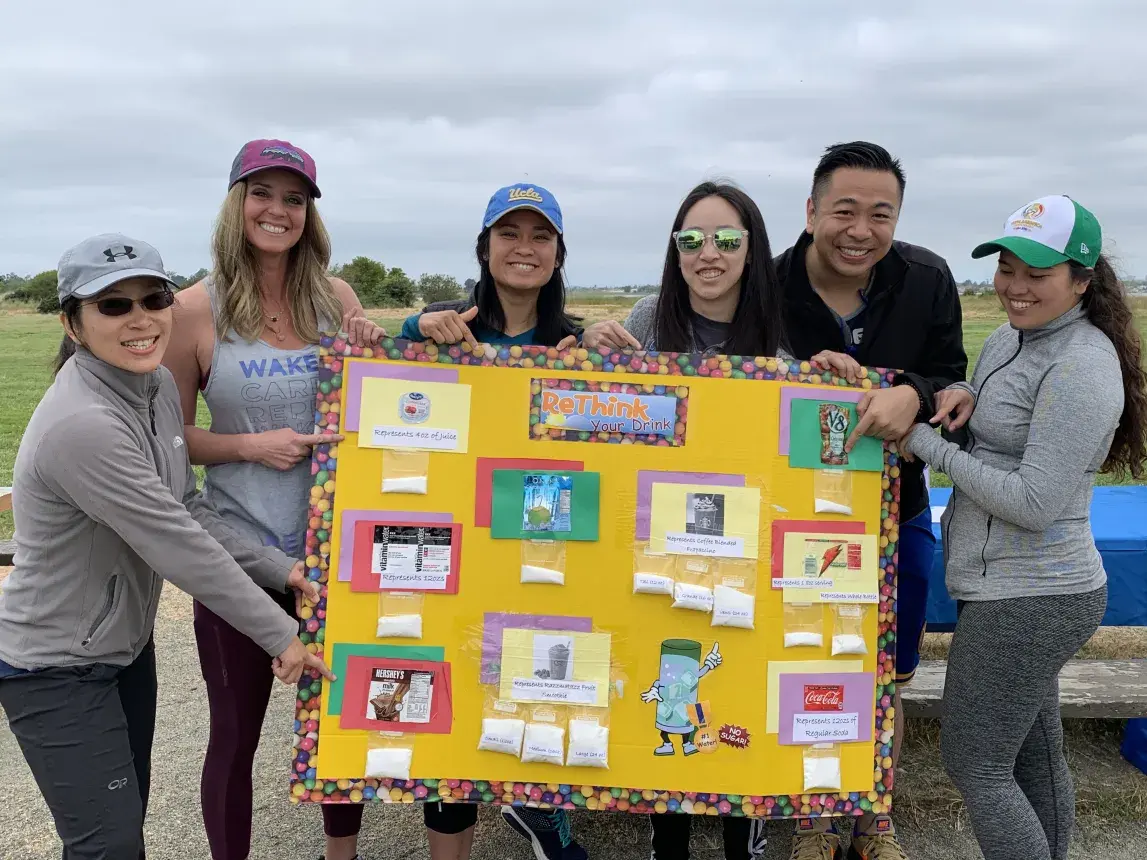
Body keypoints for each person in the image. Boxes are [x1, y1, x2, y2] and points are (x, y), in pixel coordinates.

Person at [0, 234, 333, 859]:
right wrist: (281, 635)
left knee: (126, 825)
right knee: (108, 845)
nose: (140, 318)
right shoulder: (84, 426)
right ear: (72, 323)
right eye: (112, 306)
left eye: (154, 298)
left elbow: (188, 505)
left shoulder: (149, 386)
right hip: (56, 667)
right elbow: (174, 542)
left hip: (122, 648)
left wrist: (282, 568)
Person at [900, 196, 1146, 860]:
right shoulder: (1013, 338)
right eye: (1006, 267)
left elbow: (1034, 500)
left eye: (1035, 274)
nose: (1013, 286)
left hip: (1033, 596)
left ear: (1081, 279)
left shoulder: (1081, 364)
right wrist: (963, 399)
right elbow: (1006, 431)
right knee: (1032, 760)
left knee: (975, 766)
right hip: (1007, 587)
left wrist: (925, 442)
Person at [163, 140, 385, 860]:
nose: (278, 211)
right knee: (234, 734)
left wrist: (378, 354)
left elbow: (375, 412)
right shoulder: (192, 311)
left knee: (338, 722)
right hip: (240, 555)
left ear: (309, 214)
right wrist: (250, 447)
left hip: (332, 553)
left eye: (295, 198)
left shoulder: (337, 298)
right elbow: (170, 439)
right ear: (236, 202)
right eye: (263, 193)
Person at [773, 142, 967, 860]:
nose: (860, 230)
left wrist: (912, 391)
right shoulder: (765, 284)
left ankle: (871, 811)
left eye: (879, 214)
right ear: (810, 211)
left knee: (888, 671)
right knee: (800, 659)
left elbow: (950, 378)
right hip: (789, 516)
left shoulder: (926, 278)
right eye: (843, 211)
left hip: (897, 509)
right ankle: (815, 813)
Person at [586, 179, 785, 860]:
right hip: (656, 552)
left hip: (741, 554)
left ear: (750, 251)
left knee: (735, 701)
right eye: (691, 240)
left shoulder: (778, 333)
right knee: (661, 700)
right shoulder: (646, 318)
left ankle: (743, 838)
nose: (708, 254)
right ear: (674, 252)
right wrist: (588, 348)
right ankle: (664, 840)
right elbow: (589, 407)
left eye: (726, 240)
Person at [399, 182, 585, 860]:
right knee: (452, 694)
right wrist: (414, 329)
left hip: (544, 539)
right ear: (485, 247)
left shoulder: (577, 341)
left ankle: (542, 810)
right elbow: (373, 372)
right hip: (458, 540)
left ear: (558, 253)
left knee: (550, 678)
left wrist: (600, 368)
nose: (524, 248)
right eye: (509, 234)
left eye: (540, 236)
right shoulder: (446, 327)